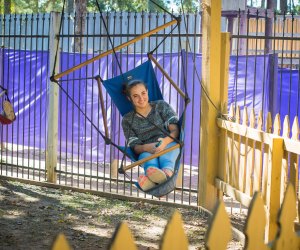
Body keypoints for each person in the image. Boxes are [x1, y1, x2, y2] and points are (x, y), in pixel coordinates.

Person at [121, 80, 180, 191]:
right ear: (130, 98)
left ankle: (165, 173)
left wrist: (164, 142)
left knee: (168, 154)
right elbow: (135, 147)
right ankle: (153, 174)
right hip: (146, 150)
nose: (141, 98)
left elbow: (175, 130)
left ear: (147, 92)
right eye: (135, 96)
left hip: (168, 143)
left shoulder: (161, 106)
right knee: (146, 158)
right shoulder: (127, 119)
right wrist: (148, 147)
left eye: (143, 93)